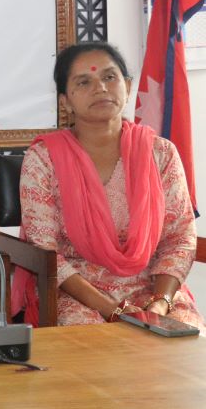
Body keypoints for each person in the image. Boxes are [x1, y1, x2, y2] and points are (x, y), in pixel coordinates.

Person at [14, 42, 202, 327]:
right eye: (84, 81)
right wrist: (112, 309)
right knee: (95, 343)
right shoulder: (44, 158)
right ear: (65, 102)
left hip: (152, 290)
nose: (100, 88)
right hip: (76, 293)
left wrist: (160, 303)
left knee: (186, 340)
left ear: (127, 86)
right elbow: (45, 251)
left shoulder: (160, 153)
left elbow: (179, 238)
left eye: (109, 77)